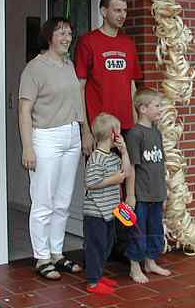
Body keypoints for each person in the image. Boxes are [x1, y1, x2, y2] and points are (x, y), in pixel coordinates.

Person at [18, 17, 84, 280]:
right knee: (43, 201)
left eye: (69, 33)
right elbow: (24, 110)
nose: (66, 38)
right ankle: (41, 257)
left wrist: (83, 130)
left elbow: (77, 100)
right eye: (60, 33)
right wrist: (27, 148)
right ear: (49, 37)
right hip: (45, 137)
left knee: (63, 201)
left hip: (71, 136)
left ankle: (57, 253)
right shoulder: (34, 68)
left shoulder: (69, 65)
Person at [75, 0, 142, 155]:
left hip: (127, 127)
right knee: (102, 179)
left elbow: (131, 86)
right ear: (104, 12)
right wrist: (86, 131)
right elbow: (79, 88)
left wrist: (137, 126)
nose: (122, 15)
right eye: (117, 10)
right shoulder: (87, 42)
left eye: (125, 10)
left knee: (128, 177)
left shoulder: (128, 43)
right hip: (100, 128)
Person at [124, 88, 171, 283]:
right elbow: (132, 167)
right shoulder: (135, 134)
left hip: (156, 193)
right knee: (138, 231)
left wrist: (164, 189)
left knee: (155, 230)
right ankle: (134, 266)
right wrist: (130, 195)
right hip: (141, 195)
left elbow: (160, 164)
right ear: (143, 109)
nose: (161, 109)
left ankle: (150, 262)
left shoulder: (156, 133)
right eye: (157, 106)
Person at [83, 113, 132, 294]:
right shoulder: (96, 158)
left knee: (107, 244)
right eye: (118, 130)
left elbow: (126, 172)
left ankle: (99, 274)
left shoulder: (113, 156)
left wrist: (124, 151)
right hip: (95, 212)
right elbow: (91, 182)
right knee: (96, 246)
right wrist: (113, 180)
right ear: (113, 134)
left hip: (110, 211)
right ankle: (93, 282)